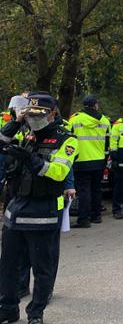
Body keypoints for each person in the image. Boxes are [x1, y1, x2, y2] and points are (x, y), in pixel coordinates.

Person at [0, 93, 78, 324]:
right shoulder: (26, 133)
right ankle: (8, 308)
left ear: (53, 113)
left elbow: (58, 173)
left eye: (39, 114)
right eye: (31, 114)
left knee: (42, 268)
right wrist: (16, 121)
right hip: (16, 208)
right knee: (8, 266)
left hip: (43, 210)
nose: (34, 119)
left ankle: (36, 313)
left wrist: (30, 160)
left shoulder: (66, 139)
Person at [68, 95, 110, 228]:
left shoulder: (75, 119)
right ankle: (96, 216)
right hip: (99, 160)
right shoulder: (105, 121)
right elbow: (107, 142)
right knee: (96, 189)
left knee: (83, 190)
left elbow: (68, 139)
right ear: (95, 105)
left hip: (81, 160)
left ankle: (84, 219)